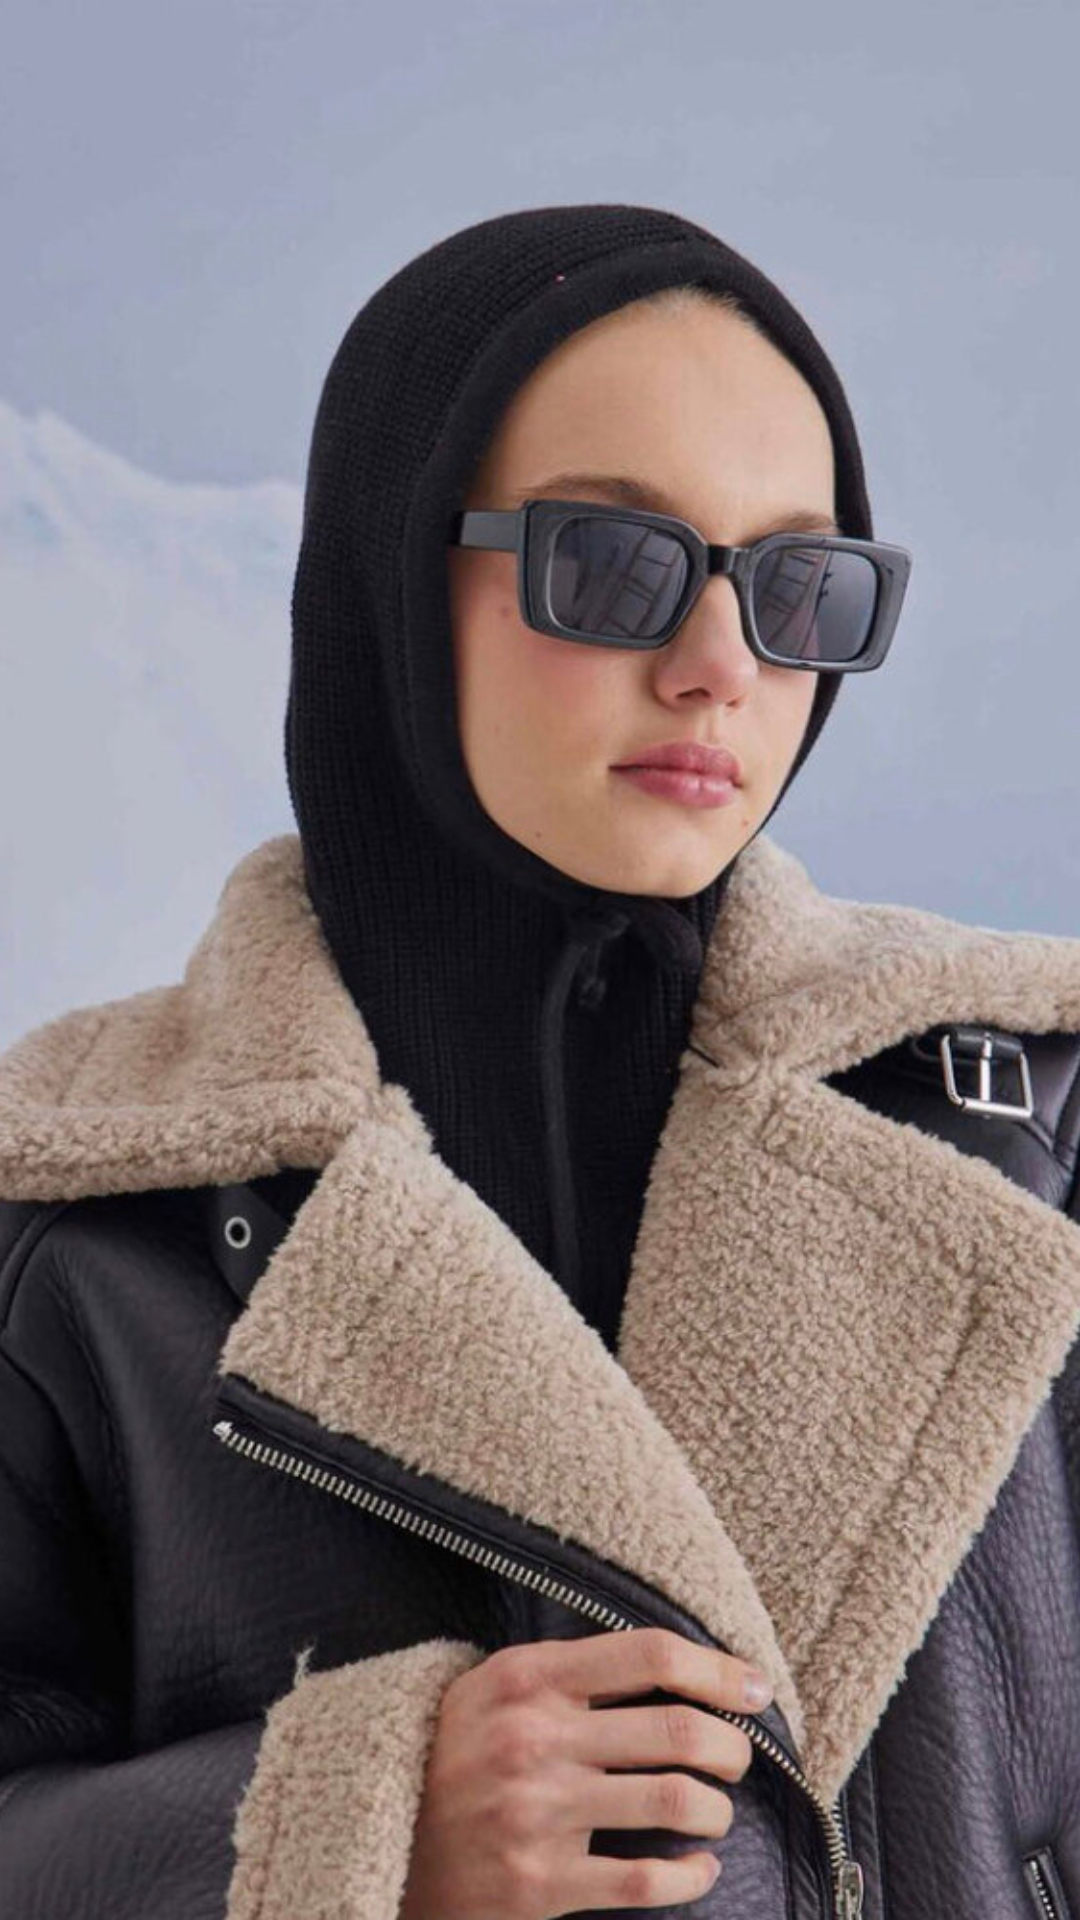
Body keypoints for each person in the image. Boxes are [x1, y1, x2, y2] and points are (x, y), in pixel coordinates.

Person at [1, 201, 1079, 1920]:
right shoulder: (77, 1216)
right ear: (394, 570)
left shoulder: (1027, 1123)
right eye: (615, 564)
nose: (721, 668)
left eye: (800, 586)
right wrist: (347, 1827)